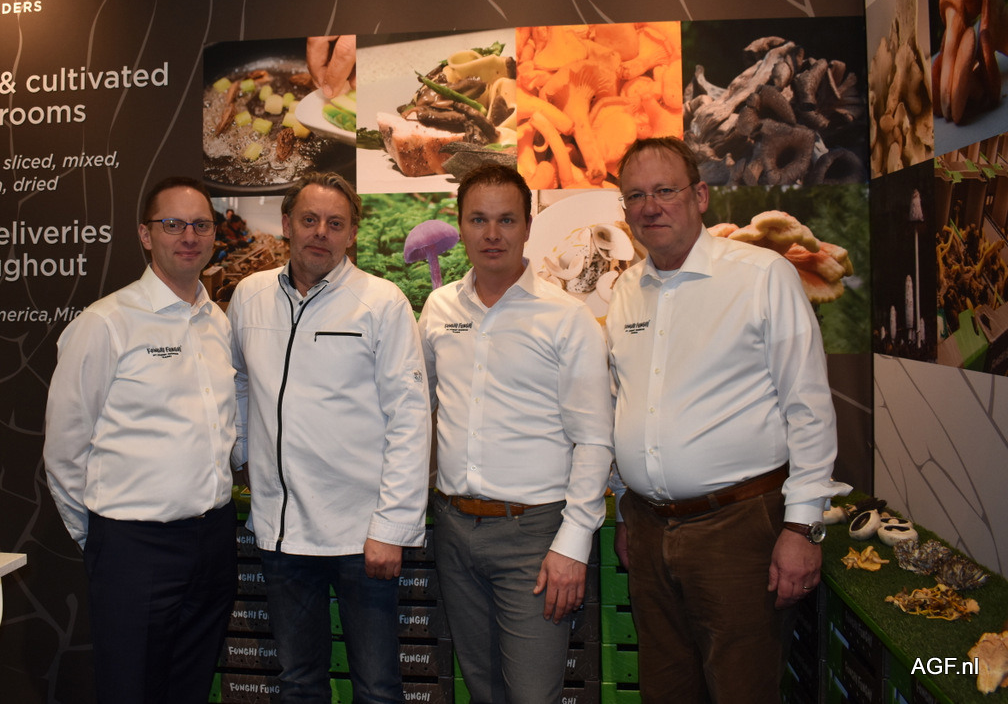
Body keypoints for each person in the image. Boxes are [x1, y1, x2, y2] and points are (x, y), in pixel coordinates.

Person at [604, 137, 849, 703]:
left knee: (743, 688)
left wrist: (802, 527)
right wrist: (624, 512)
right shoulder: (625, 291)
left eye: (665, 190)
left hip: (738, 531)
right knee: (665, 690)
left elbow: (809, 406)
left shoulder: (762, 275)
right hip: (647, 530)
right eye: (635, 195)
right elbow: (624, 402)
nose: (650, 207)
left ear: (700, 196)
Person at [229, 171, 430, 703]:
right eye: (309, 219)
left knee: (377, 688)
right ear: (286, 224)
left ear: (352, 234)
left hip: (362, 535)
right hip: (281, 533)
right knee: (299, 683)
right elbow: (239, 382)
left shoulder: (382, 302)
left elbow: (409, 417)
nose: (321, 232)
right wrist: (246, 452)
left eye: (335, 223)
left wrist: (392, 527)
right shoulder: (249, 296)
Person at [418, 164, 614, 704]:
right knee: (483, 690)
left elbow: (595, 439)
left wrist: (572, 543)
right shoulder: (438, 309)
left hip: (534, 536)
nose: (492, 234)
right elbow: (416, 407)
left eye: (506, 220)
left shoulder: (567, 317)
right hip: (454, 528)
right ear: (460, 226)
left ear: (528, 226)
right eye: (478, 219)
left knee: (531, 694)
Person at [44, 176, 238, 704]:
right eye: (172, 224)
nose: (189, 236)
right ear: (146, 235)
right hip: (135, 549)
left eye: (201, 225)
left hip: (213, 542)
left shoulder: (217, 323)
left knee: (189, 688)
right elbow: (64, 449)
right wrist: (100, 539)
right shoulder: (105, 323)